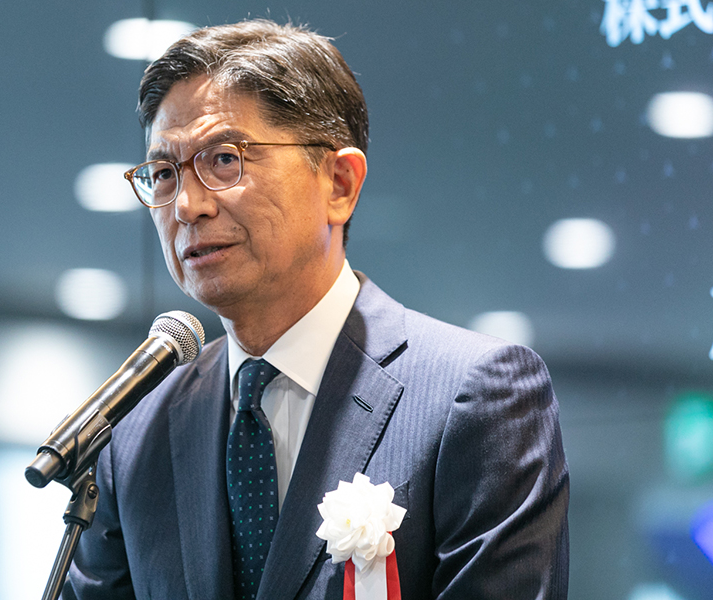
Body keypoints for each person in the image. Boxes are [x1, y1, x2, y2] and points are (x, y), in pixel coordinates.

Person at [64, 19, 569, 600]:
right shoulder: (136, 431)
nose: (187, 205)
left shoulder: (476, 396)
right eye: (163, 174)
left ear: (339, 183)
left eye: (224, 159)